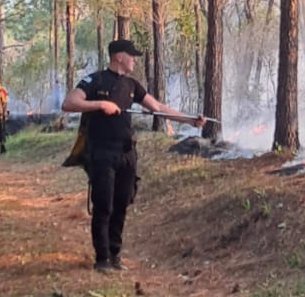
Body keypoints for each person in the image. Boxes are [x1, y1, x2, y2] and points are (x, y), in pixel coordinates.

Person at [61, 39, 204, 273]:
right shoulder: (94, 80)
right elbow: (69, 103)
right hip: (102, 154)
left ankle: (115, 255)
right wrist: (100, 105)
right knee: (103, 205)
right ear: (118, 56)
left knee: (121, 204)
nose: (134, 60)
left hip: (127, 154)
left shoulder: (132, 85)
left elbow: (157, 107)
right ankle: (102, 258)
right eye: (131, 55)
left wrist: (189, 120)